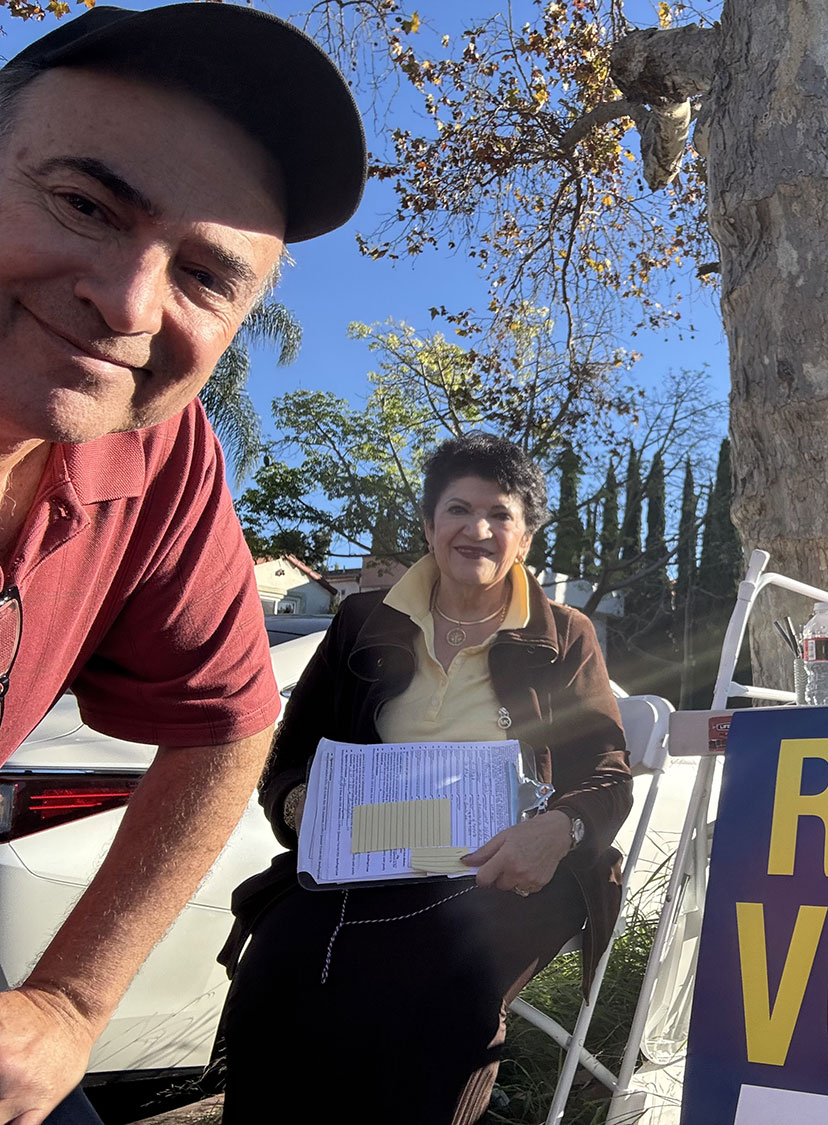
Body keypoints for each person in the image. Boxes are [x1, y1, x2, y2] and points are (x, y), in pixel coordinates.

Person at [0, 6, 366, 1123]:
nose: (127, 302)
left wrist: (69, 1003)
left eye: (206, 277)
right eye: (82, 203)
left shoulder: (155, 450)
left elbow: (232, 719)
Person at [216, 432, 633, 1125]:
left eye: (500, 515)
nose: (478, 529)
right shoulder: (360, 622)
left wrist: (557, 831)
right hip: (367, 857)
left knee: (446, 987)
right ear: (429, 523)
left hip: (503, 869)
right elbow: (288, 756)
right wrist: (301, 805)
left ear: (525, 537)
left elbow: (609, 774)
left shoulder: (564, 636)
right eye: (458, 509)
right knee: (278, 972)